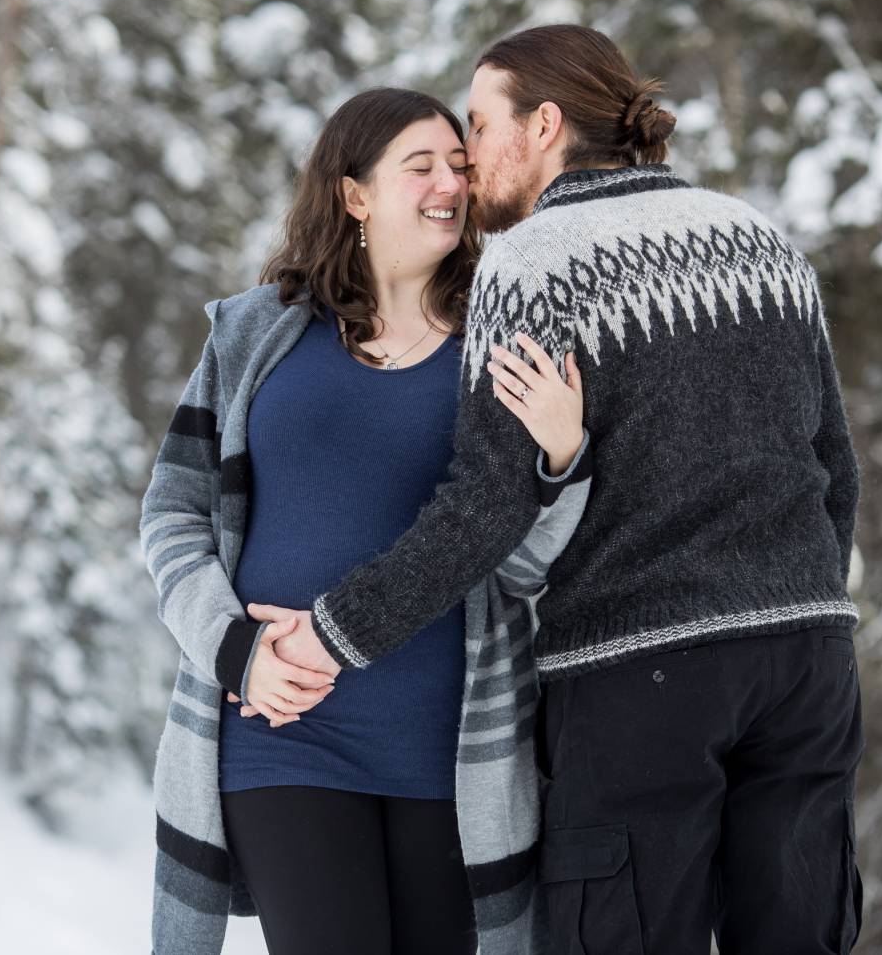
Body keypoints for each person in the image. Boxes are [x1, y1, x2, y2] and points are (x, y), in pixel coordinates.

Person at [255, 25, 864, 954]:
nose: (465, 167)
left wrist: (336, 631)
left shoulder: (535, 261)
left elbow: (484, 507)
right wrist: (807, 606)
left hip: (643, 677)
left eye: (479, 126)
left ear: (544, 126)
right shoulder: (761, 237)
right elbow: (836, 468)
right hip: (811, 665)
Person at [139, 86, 594, 955]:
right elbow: (172, 511)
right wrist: (233, 651)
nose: (449, 186)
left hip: (449, 754)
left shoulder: (492, 346)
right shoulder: (256, 333)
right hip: (282, 734)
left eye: (459, 167)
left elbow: (520, 567)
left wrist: (560, 462)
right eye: (419, 166)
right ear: (354, 193)